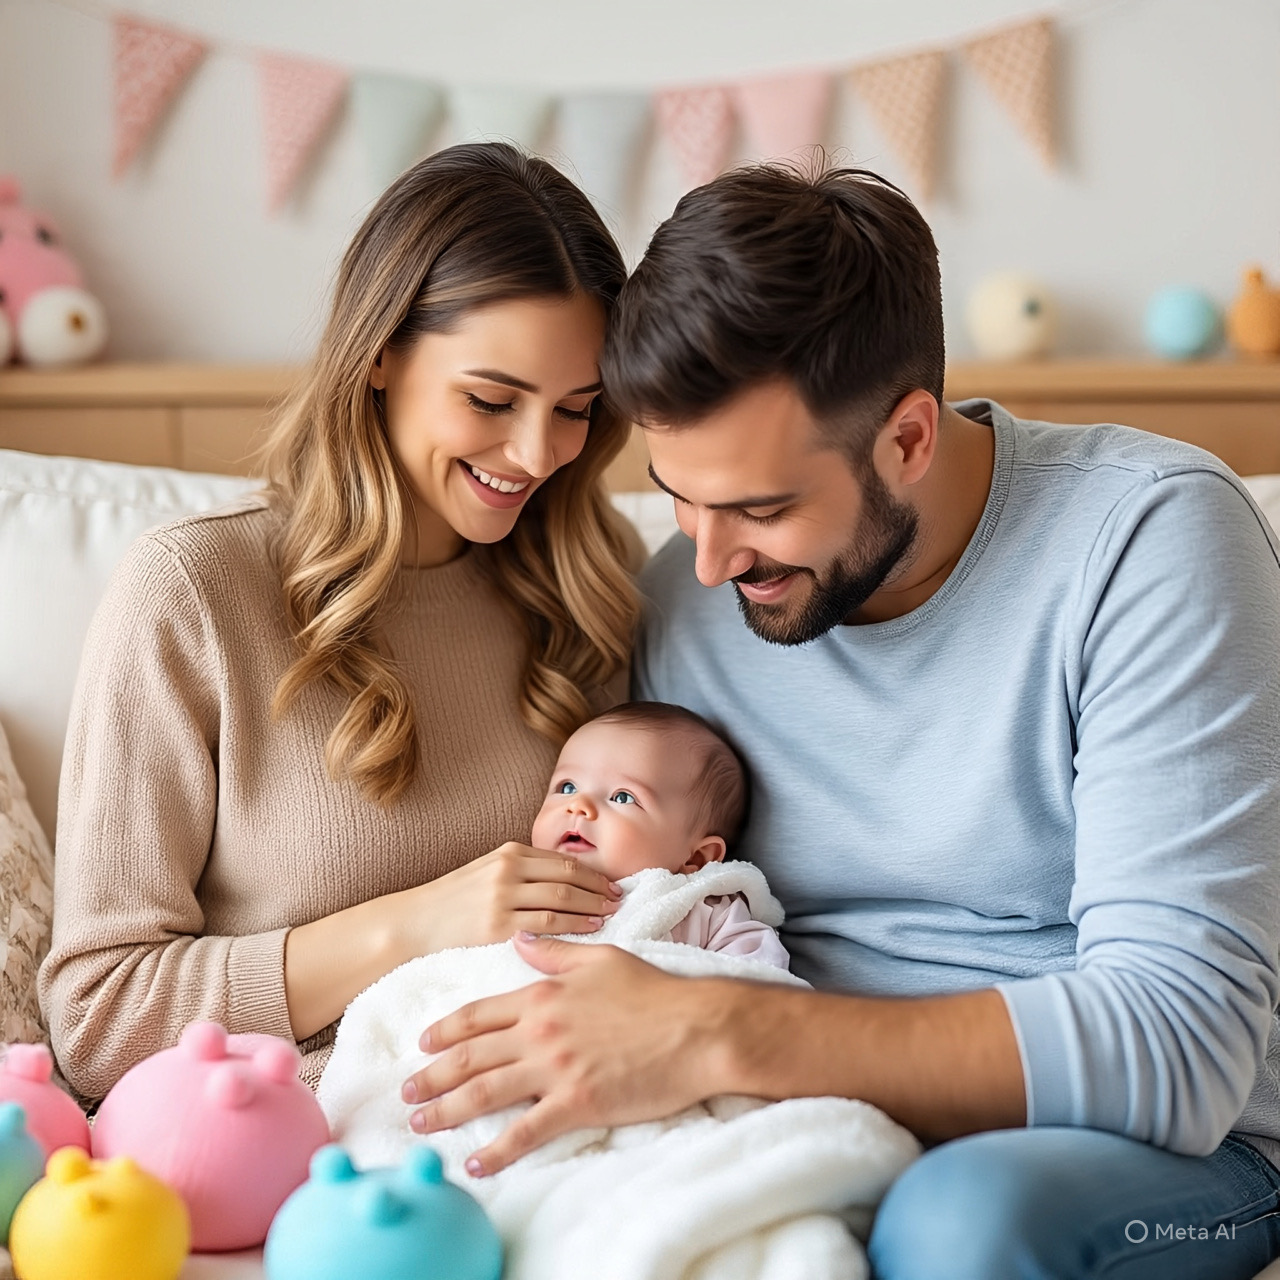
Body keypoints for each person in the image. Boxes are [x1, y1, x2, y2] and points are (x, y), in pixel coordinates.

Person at [399, 163, 1280, 1279]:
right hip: (794, 1118)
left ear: (907, 437)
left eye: (760, 507)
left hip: (1158, 1159)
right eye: (679, 493)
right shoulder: (690, 589)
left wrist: (720, 1029)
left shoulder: (1146, 542)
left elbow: (1183, 1048)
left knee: (959, 1224)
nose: (710, 560)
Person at [38, 142, 641, 1100]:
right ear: (378, 359)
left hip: (565, 1115)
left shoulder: (594, 584)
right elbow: (100, 1016)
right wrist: (413, 925)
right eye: (492, 399)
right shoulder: (194, 592)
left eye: (577, 407)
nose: (537, 452)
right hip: (317, 1147)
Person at [528, 700, 787, 965]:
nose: (578, 806)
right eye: (568, 788)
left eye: (622, 797)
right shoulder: (523, 887)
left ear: (696, 858)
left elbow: (761, 977)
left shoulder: (697, 908)